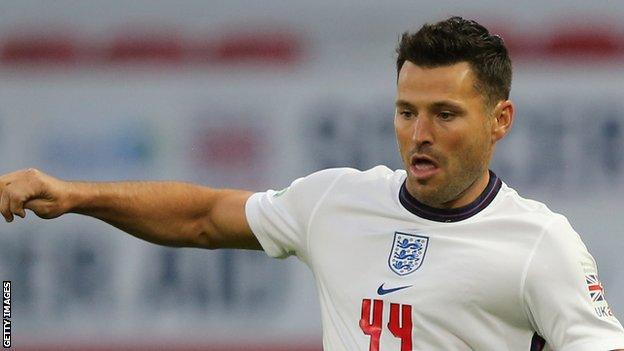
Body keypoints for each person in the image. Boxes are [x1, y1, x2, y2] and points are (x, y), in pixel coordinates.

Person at [1, 16, 623, 350]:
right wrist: (79, 195)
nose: (420, 133)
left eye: (446, 114)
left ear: (499, 121)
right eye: (407, 111)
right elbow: (203, 217)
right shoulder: (336, 200)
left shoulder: (541, 243)